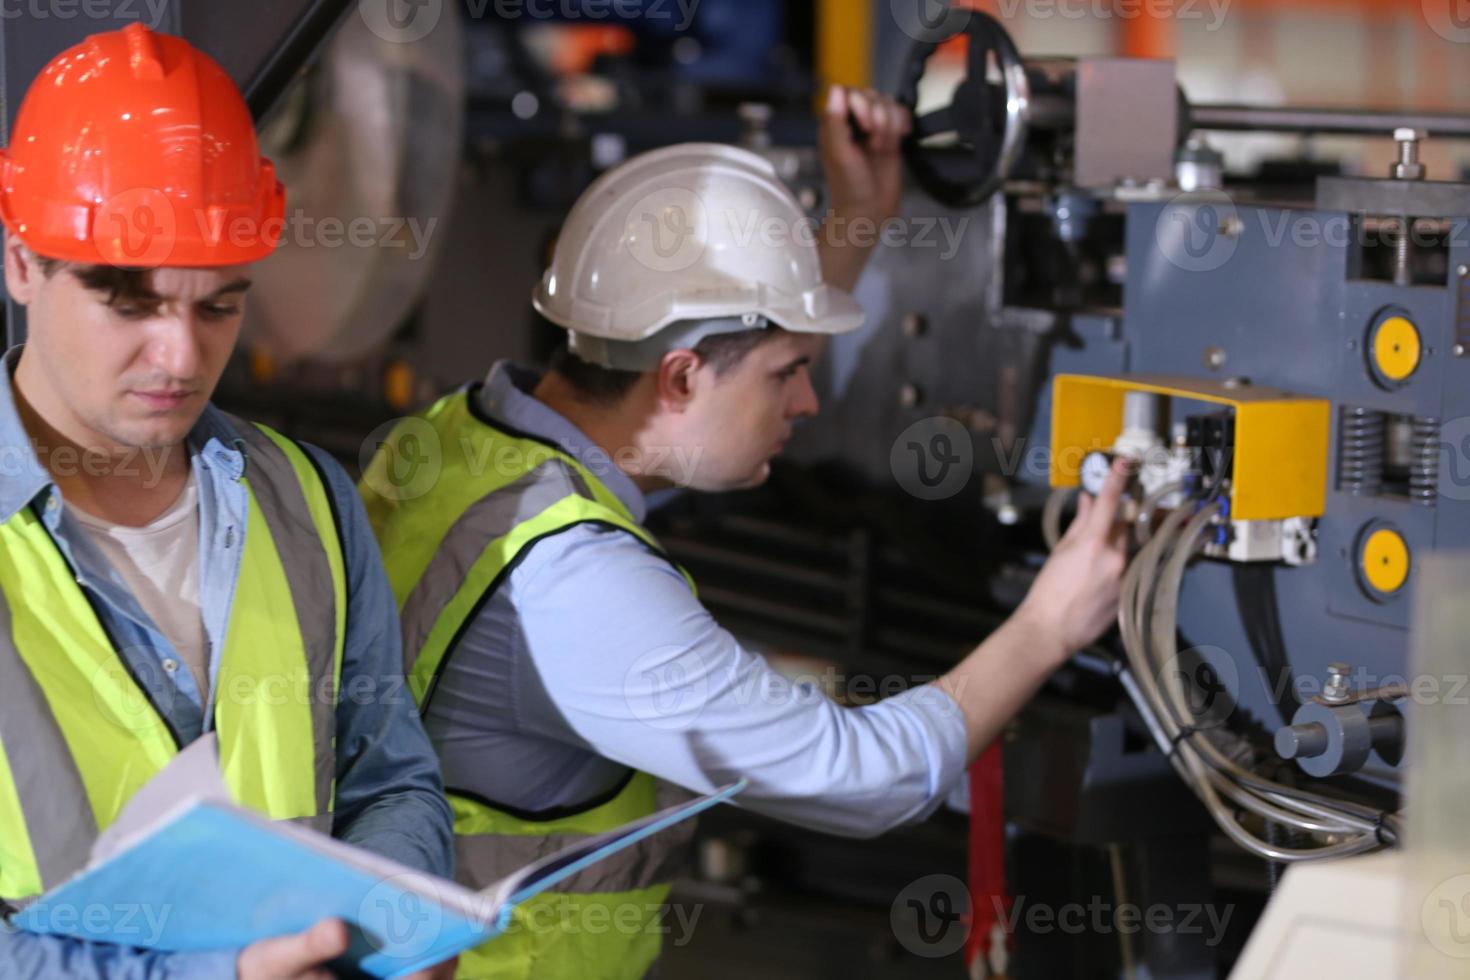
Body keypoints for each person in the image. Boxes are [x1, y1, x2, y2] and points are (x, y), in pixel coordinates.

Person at [361, 85, 1129, 980]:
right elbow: (867, 777)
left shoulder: (468, 438)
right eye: (788, 375)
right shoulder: (575, 585)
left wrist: (856, 219)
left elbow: (715, 383)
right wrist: (1050, 624)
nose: (806, 401)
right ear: (679, 378)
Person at [0, 24, 455, 979]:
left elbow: (387, 779)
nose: (180, 358)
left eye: (217, 307)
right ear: (21, 263)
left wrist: (397, 924)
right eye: (130, 303)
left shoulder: (308, 501)